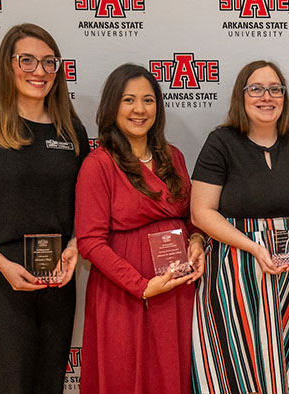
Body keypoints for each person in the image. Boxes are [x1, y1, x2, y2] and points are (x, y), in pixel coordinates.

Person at [0, 23, 89, 394]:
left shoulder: (71, 130)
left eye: (48, 62)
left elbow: (88, 205)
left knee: (50, 383)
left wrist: (74, 247)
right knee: (13, 384)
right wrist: (3, 265)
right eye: (27, 60)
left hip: (56, 274)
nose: (39, 71)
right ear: (7, 66)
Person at [190, 61, 289, 394]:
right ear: (241, 95)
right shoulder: (221, 142)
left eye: (275, 89)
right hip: (237, 270)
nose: (267, 97)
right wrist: (253, 247)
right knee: (238, 373)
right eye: (256, 88)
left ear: (284, 96)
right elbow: (201, 212)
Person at [74, 64, 205, 394]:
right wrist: (143, 286)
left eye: (148, 100)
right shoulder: (99, 164)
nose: (139, 109)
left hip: (175, 288)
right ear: (112, 107)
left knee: (172, 374)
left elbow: (192, 217)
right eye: (128, 100)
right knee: (125, 374)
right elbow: (89, 241)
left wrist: (198, 240)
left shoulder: (173, 156)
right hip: (126, 293)